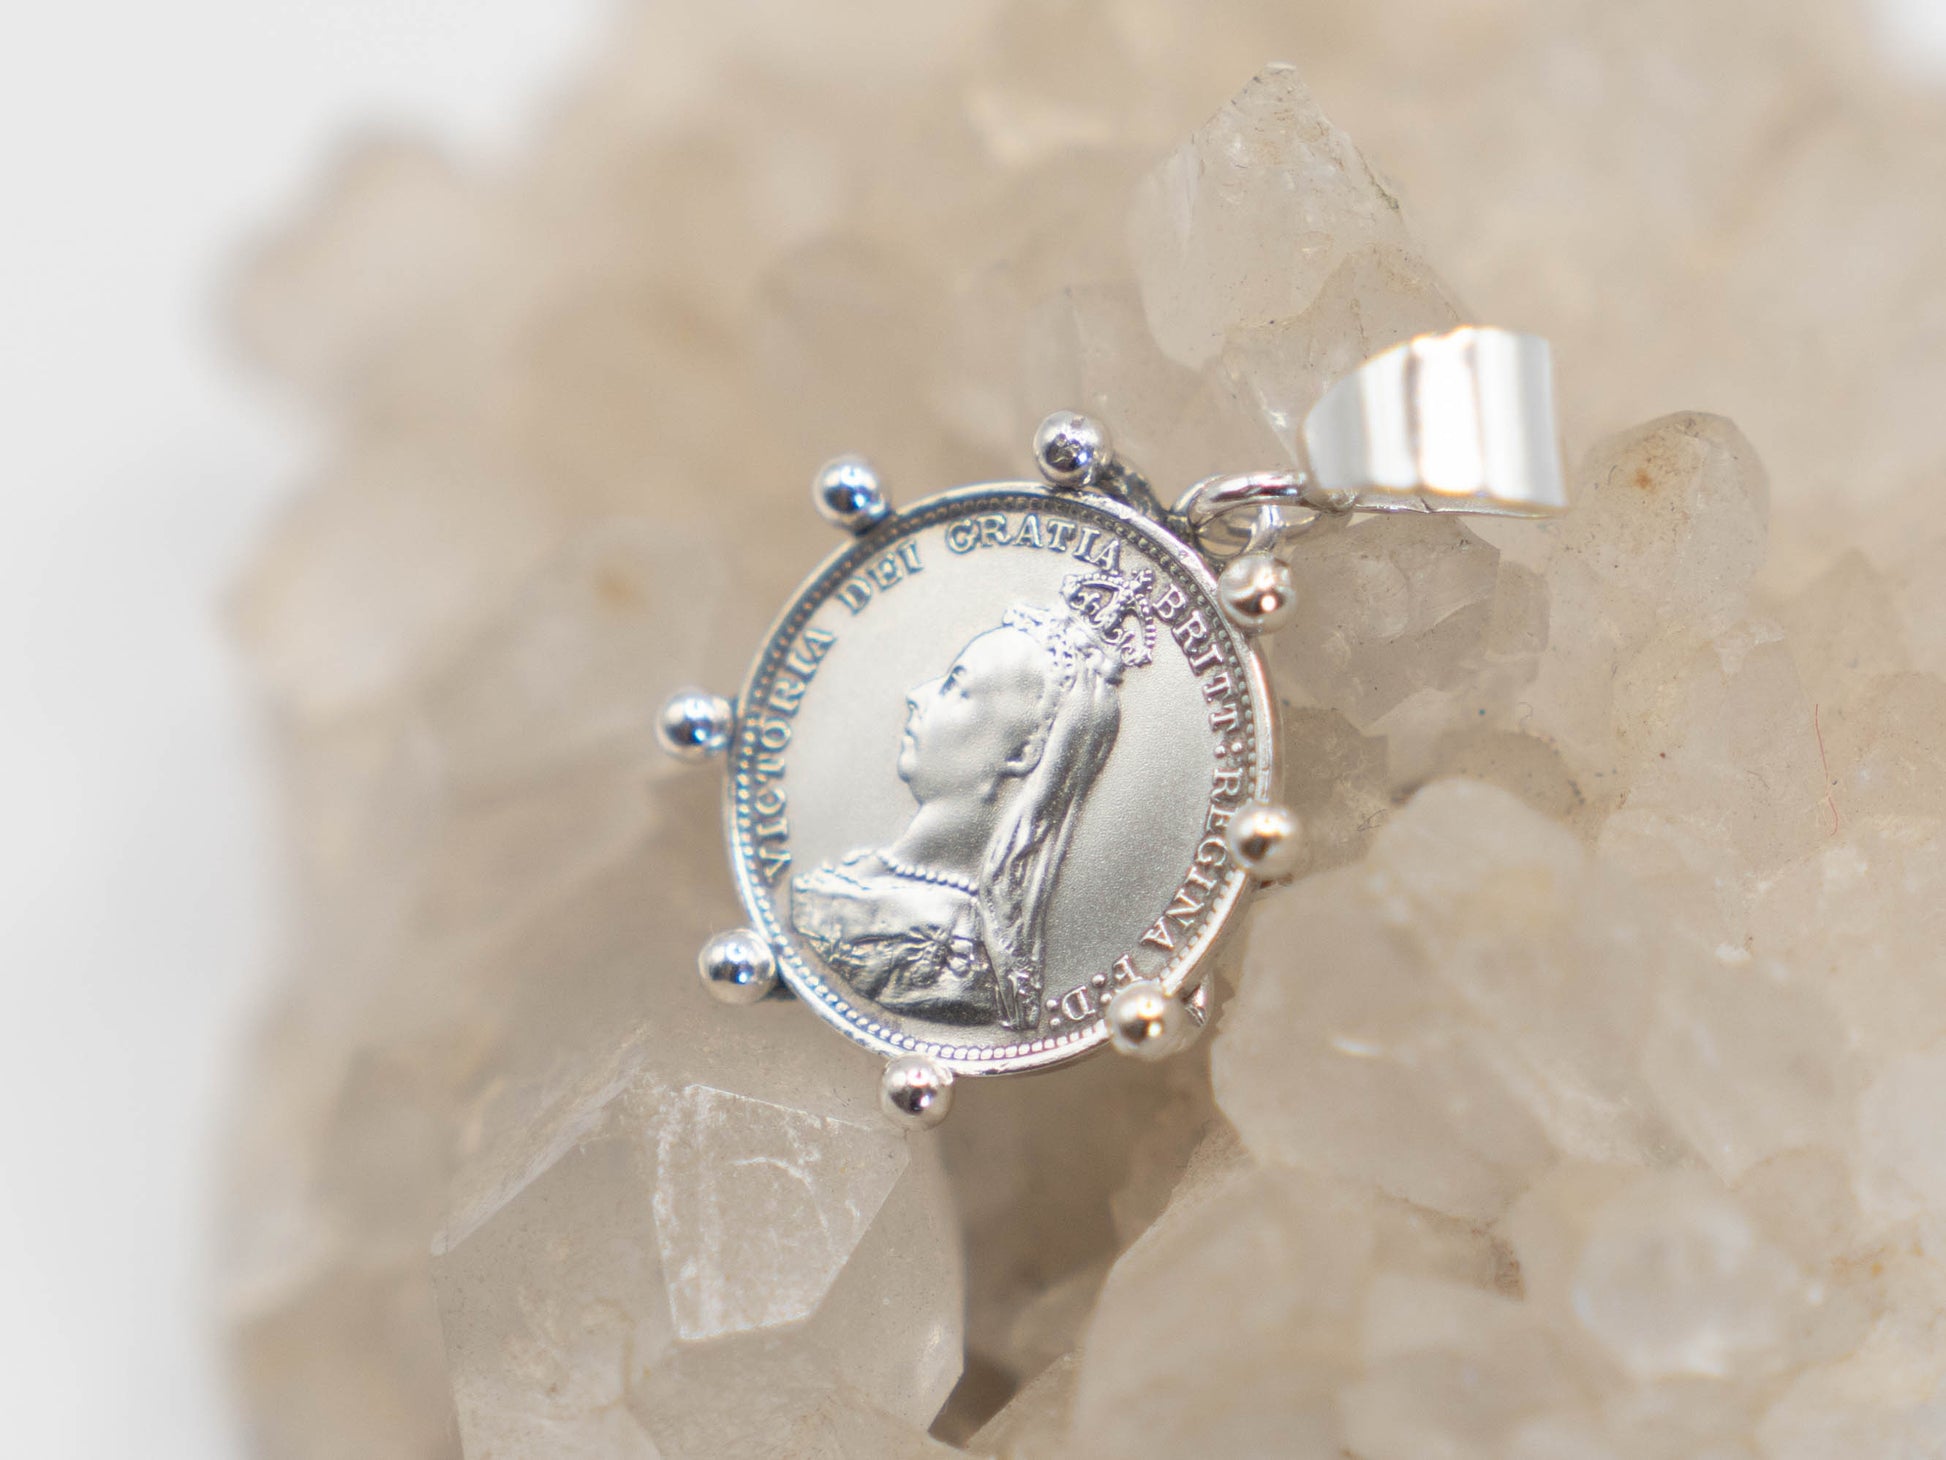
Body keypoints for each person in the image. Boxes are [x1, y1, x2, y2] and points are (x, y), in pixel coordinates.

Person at [791, 587, 1133, 1030]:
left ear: (1024, 750)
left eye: (956, 685)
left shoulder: (951, 955)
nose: (917, 694)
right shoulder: (861, 872)